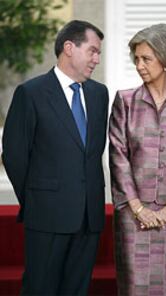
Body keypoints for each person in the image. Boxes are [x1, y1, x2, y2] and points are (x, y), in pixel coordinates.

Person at [2, 20, 108, 295]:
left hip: (89, 217)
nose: (97, 59)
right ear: (69, 48)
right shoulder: (31, 93)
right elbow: (14, 155)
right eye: (93, 51)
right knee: (41, 289)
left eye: (99, 53)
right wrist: (38, 198)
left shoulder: (99, 94)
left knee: (77, 289)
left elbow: (92, 154)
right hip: (47, 215)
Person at [108, 23, 166, 296]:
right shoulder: (125, 102)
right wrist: (139, 209)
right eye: (136, 59)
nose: (139, 65)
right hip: (131, 214)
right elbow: (118, 157)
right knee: (134, 289)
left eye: (146, 59)